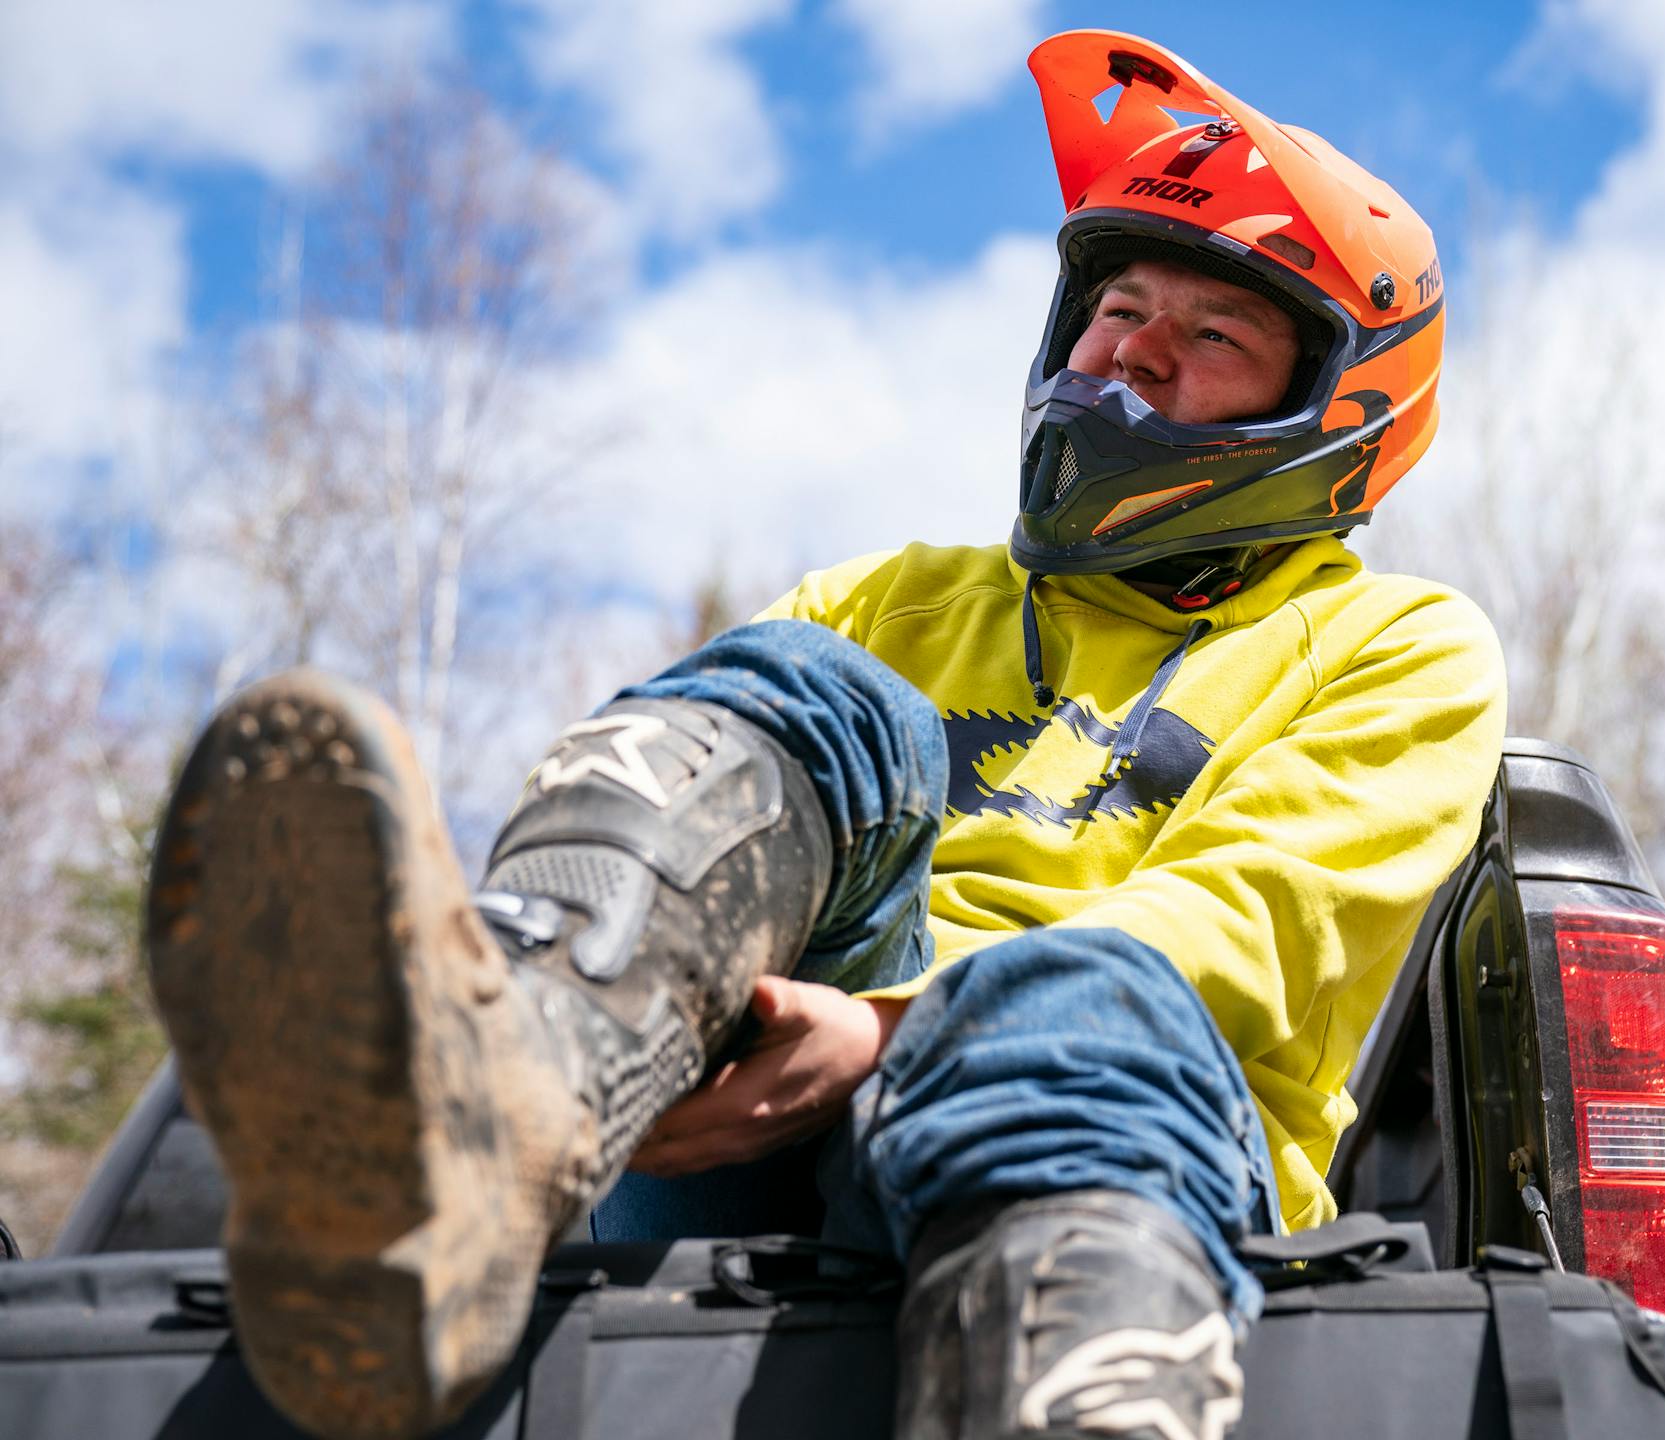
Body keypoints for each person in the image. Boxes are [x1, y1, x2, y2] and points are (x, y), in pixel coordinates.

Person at [143, 29, 1504, 1440]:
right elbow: (702, 808)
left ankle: (1079, 1404)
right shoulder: (884, 602)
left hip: (1114, 1149)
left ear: (1336, 415)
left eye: (1213, 333)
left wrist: (885, 1031)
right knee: (805, 686)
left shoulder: (1397, 645)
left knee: (1072, 995)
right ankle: (482, 1136)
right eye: (1120, 308)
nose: (1135, 353)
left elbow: (1248, 930)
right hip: (751, 1119)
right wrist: (718, 1038)